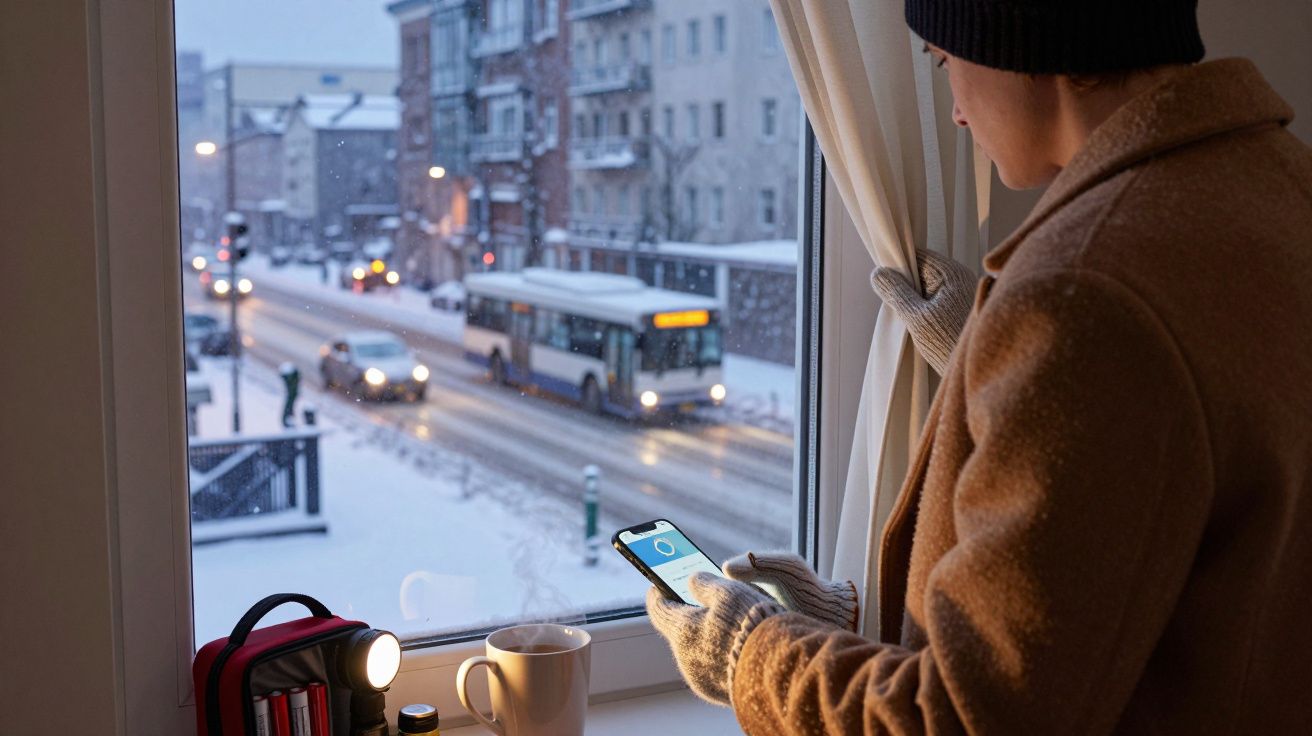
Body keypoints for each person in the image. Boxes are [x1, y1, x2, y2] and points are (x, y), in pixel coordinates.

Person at [646, 0, 1312, 732]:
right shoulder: (1277, 184)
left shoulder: (1086, 296)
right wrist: (866, 620)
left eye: (942, 62)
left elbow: (970, 718)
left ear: (1015, 42)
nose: (957, 113)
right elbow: (1159, 590)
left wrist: (754, 653)